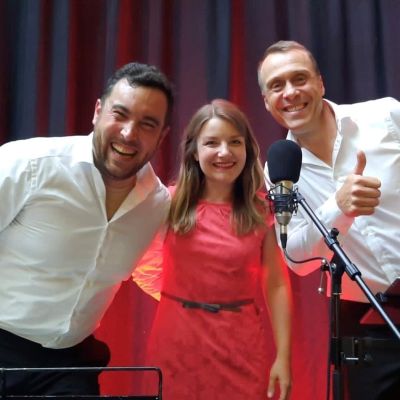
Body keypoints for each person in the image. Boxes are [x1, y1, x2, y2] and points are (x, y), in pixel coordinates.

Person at [0, 62, 173, 395]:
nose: (129, 133)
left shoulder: (157, 204)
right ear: (97, 111)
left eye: (147, 124)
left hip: (71, 364)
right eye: (120, 114)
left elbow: (156, 272)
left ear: (162, 136)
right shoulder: (27, 164)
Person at [257, 40, 400, 400]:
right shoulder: (279, 169)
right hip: (368, 322)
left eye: (299, 79)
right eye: (277, 85)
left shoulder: (385, 116)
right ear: (266, 101)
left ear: (320, 83)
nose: (290, 93)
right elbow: (296, 259)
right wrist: (339, 207)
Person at [133, 99, 292, 400]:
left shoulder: (261, 210)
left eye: (235, 142)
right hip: (177, 342)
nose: (224, 152)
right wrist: (184, 301)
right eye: (212, 143)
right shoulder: (168, 203)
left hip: (241, 345)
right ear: (194, 151)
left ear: (247, 149)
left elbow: (276, 284)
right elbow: (138, 264)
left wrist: (283, 357)